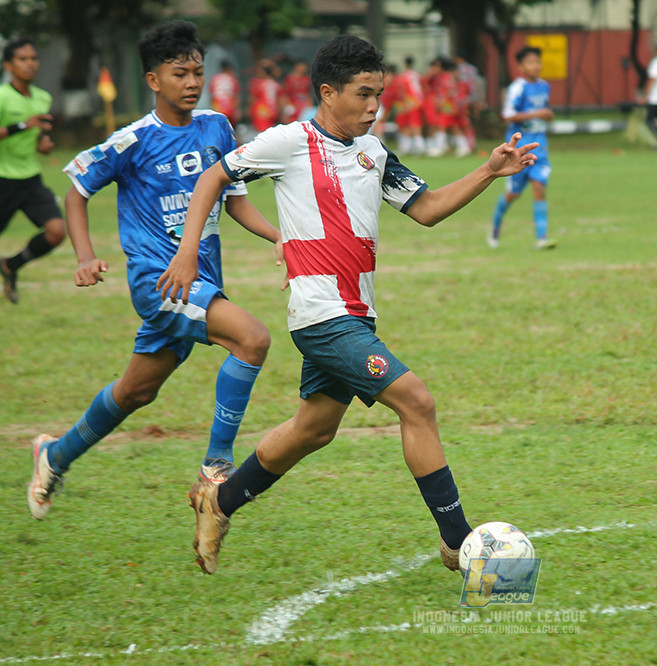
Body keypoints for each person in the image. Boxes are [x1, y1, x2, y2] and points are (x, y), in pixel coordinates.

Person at [157, 34, 540, 575]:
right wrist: (188, 252)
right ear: (327, 92)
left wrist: (487, 170)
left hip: (357, 313)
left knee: (313, 429)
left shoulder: (373, 151)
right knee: (417, 401)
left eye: (378, 94)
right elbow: (215, 177)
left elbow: (426, 209)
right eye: (362, 94)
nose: (373, 106)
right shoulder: (288, 141)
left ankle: (219, 501)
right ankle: (458, 540)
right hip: (321, 317)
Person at [26, 20, 281, 521]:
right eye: (179, 73)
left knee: (136, 391)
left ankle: (53, 456)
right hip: (158, 281)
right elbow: (76, 188)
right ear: (152, 80)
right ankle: (216, 468)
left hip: (202, 281)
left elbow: (234, 200)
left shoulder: (216, 127)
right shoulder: (133, 140)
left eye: (197, 72)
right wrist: (84, 256)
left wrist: (279, 237)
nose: (192, 82)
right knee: (252, 339)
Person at [0, 37, 66, 304]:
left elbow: (39, 139)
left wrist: (44, 143)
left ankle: (11, 265)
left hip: (30, 179)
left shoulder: (43, 98)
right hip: (2, 178)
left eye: (34, 58)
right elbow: (23, 128)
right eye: (23, 59)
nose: (31, 64)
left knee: (57, 231)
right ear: (8, 65)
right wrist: (22, 126)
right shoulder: (2, 97)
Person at [489, 46, 555, 251]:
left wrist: (546, 116)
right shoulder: (518, 87)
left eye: (538, 61)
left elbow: (544, 114)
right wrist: (537, 114)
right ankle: (495, 226)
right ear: (521, 66)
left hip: (540, 148)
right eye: (530, 62)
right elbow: (508, 115)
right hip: (518, 149)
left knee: (539, 189)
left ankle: (541, 238)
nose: (536, 66)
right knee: (513, 194)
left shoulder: (545, 86)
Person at [248, 58, 281, 132]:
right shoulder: (275, 84)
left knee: (261, 132)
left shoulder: (257, 83)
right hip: (272, 111)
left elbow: (253, 98)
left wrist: (250, 110)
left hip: (261, 111)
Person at [208, 59, 241, 127]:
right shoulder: (232, 78)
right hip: (230, 109)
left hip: (218, 108)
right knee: (230, 128)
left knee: (219, 128)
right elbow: (236, 95)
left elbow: (212, 95)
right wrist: (237, 110)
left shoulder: (215, 78)